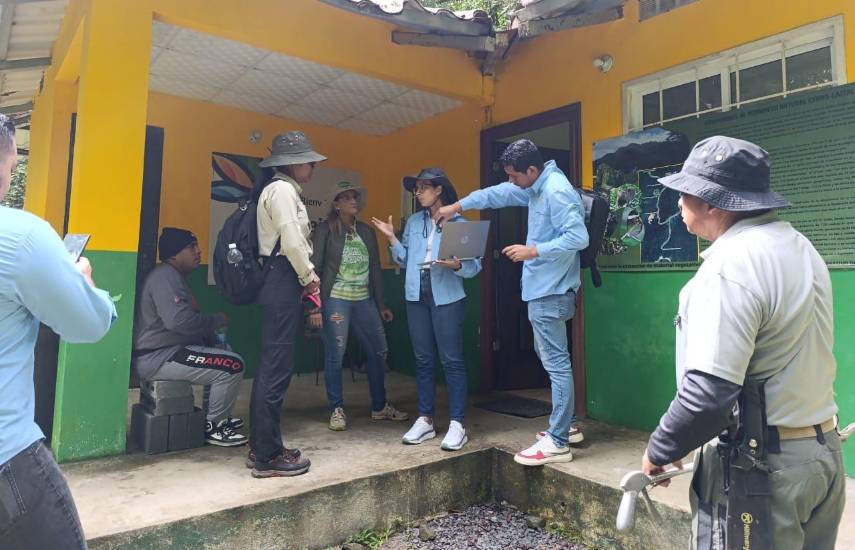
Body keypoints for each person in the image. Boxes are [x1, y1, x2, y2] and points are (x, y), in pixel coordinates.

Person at [641, 136, 844, 549]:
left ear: (713, 204)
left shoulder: (730, 266)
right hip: (821, 455)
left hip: (762, 470)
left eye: (686, 193)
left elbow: (708, 394)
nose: (678, 202)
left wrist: (660, 449)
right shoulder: (800, 246)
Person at [0, 113, 117, 549]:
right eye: (13, 166)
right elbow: (87, 324)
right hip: (9, 464)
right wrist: (82, 279)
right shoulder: (21, 237)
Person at [436, 140, 588, 466]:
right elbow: (497, 194)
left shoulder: (556, 191)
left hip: (550, 291)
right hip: (544, 290)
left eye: (514, 175)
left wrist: (533, 250)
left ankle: (558, 441)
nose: (511, 181)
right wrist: (457, 206)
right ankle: (567, 425)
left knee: (556, 364)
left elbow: (578, 238)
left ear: (531, 170)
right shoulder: (536, 187)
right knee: (552, 360)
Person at [371, 168, 481, 451]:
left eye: (423, 188)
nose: (418, 193)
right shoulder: (414, 222)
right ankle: (425, 419)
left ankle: (457, 424)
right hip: (416, 294)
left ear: (439, 189)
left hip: (448, 296)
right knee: (423, 359)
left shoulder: (459, 223)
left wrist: (457, 265)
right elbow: (405, 259)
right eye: (416, 189)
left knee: (452, 360)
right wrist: (392, 239)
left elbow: (473, 267)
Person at [248, 131, 322, 478]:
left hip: (276, 278)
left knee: (270, 367)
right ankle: (268, 456)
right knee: (276, 368)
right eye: (308, 161)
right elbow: (292, 242)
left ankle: (261, 446)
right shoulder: (283, 191)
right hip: (283, 277)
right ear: (293, 163)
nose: (312, 167)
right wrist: (309, 277)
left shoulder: (279, 189)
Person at [133, 227, 247, 447]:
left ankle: (212, 417)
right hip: (159, 357)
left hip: (167, 352)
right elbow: (178, 321)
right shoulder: (165, 276)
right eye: (191, 247)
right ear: (174, 255)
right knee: (232, 365)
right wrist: (215, 320)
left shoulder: (172, 275)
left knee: (223, 352)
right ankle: (215, 426)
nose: (198, 251)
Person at [310, 181, 408, 431]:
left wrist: (381, 303)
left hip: (364, 299)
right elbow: (315, 267)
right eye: (346, 198)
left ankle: (379, 406)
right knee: (336, 353)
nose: (353, 201)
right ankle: (337, 409)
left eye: (354, 197)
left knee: (379, 351)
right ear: (336, 204)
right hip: (336, 298)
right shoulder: (325, 229)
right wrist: (315, 307)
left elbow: (375, 268)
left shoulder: (365, 231)